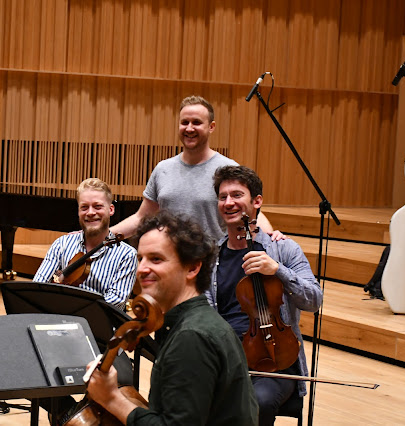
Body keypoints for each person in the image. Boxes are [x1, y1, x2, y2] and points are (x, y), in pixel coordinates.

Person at [86, 211, 259, 425]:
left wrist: (112, 399)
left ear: (193, 267)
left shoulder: (192, 337)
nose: (141, 269)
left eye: (156, 259)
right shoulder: (199, 323)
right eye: (140, 259)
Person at [209, 165, 323, 425]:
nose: (228, 202)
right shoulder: (210, 256)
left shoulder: (284, 249)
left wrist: (279, 271)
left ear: (257, 201)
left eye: (237, 195)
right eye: (223, 197)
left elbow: (314, 300)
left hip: (275, 363)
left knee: (257, 401)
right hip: (225, 360)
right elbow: (203, 309)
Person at [111, 95, 276, 242]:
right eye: (184, 123)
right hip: (171, 264)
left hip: (213, 267)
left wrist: (272, 236)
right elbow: (141, 218)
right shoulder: (163, 169)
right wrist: (103, 236)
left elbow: (250, 211)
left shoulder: (229, 169)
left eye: (196, 122)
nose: (189, 128)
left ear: (211, 127)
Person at [34, 178, 137, 310]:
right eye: (84, 207)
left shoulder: (126, 255)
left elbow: (114, 303)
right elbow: (38, 286)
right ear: (78, 211)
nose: (90, 212)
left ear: (111, 210)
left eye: (97, 206)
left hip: (98, 325)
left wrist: (67, 305)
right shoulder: (62, 244)